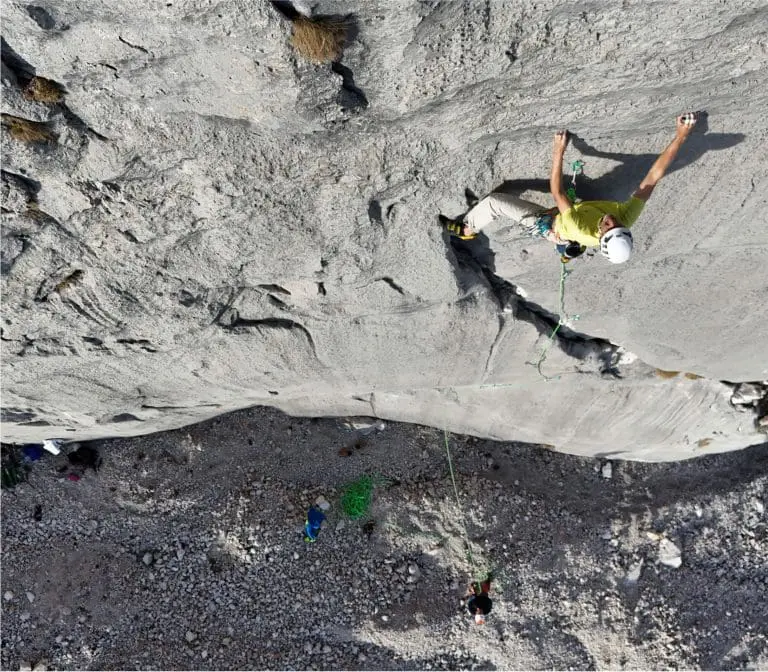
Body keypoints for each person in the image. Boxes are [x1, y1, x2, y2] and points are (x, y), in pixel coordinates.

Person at [442, 113, 699, 264]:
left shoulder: (579, 226)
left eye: (608, 226)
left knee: (494, 202)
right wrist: (681, 136)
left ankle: (467, 229)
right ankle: (569, 250)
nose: (612, 219)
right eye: (618, 224)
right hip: (573, 223)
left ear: (601, 236)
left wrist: (558, 152)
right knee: (570, 238)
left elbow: (558, 192)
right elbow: (653, 177)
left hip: (551, 224)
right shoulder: (626, 217)